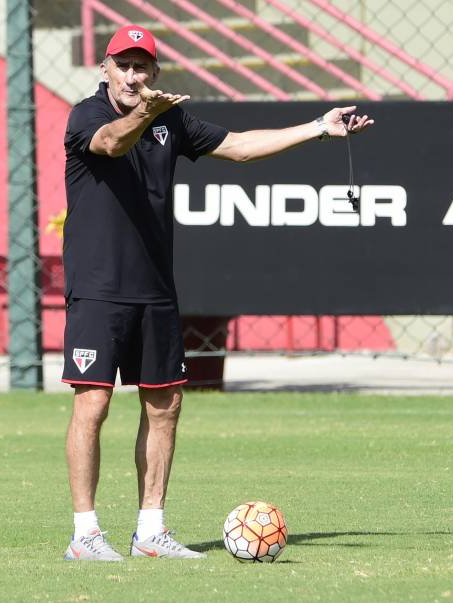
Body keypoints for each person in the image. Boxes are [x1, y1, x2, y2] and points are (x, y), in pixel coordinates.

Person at [61, 25, 374, 561]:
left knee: (166, 404)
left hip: (155, 288)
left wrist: (318, 128)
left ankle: (150, 531)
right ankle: (85, 534)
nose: (133, 76)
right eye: (124, 65)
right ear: (104, 68)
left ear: (155, 72)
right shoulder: (86, 115)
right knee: (93, 402)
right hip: (98, 288)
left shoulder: (171, 119)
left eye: (142, 66)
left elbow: (240, 147)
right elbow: (112, 142)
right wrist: (145, 113)